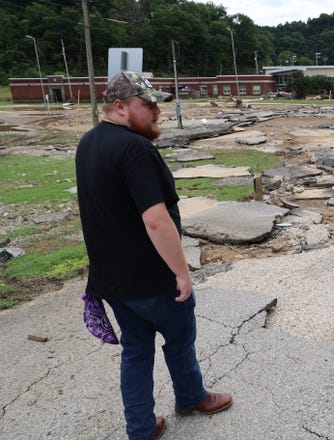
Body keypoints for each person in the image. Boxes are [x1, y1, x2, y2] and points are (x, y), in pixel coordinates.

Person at [75, 70, 232, 440]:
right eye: (147, 105)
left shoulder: (88, 143)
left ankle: (142, 429)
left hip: (112, 279)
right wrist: (182, 272)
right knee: (179, 339)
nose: (156, 111)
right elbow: (156, 221)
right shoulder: (135, 149)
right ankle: (192, 397)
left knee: (135, 351)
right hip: (149, 277)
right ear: (120, 107)